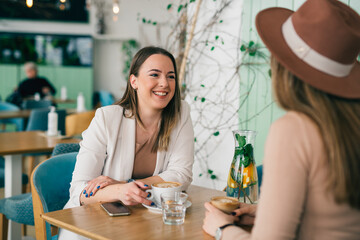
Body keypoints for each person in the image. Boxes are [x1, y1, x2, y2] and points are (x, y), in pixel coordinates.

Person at [203, 0, 360, 239]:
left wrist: (222, 228)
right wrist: (264, 212)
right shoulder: (351, 126)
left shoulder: (294, 129)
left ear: (283, 66)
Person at [59, 47, 194, 240]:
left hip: (147, 222)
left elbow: (181, 174)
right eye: (154, 74)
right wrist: (121, 191)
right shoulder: (106, 118)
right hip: (92, 223)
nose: (164, 83)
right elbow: (79, 190)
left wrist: (126, 184)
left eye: (171, 76)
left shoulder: (181, 114)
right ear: (134, 81)